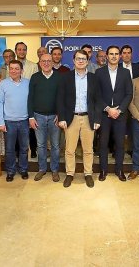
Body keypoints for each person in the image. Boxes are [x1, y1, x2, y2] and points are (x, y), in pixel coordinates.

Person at [58, 50, 102, 188]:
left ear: (88, 61)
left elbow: (98, 100)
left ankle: (88, 173)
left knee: (88, 149)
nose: (81, 61)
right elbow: (60, 100)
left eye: (83, 59)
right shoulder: (65, 77)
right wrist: (62, 118)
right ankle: (70, 174)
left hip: (89, 118)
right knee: (69, 150)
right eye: (78, 58)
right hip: (72, 118)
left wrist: (98, 119)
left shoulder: (94, 78)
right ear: (73, 60)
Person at [95, 45, 133, 182]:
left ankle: (119, 170)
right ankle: (103, 170)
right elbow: (96, 95)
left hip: (120, 115)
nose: (114, 56)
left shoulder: (125, 73)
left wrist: (119, 109)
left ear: (120, 56)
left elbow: (129, 94)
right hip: (104, 114)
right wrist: (107, 109)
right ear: (106, 55)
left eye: (117, 54)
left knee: (120, 144)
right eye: (111, 53)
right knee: (103, 143)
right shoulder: (99, 73)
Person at [28, 54, 61, 182]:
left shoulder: (59, 77)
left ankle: (55, 170)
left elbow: (62, 97)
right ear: (40, 63)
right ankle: (42, 169)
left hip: (55, 117)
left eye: (49, 61)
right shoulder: (35, 77)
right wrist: (31, 117)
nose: (46, 63)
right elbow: (30, 98)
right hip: (38, 116)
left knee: (56, 146)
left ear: (53, 62)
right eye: (43, 61)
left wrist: (60, 114)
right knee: (41, 145)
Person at [0, 60, 30, 182]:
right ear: (9, 69)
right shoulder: (3, 84)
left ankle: (23, 169)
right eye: (12, 68)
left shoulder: (27, 83)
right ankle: (10, 171)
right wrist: (1, 122)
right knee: (9, 149)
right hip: (9, 121)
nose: (14, 71)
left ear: (22, 70)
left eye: (17, 68)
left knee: (24, 148)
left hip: (24, 121)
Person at [15, 42, 38, 158]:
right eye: (19, 49)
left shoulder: (33, 66)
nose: (21, 51)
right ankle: (18, 151)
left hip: (29, 99)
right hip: (15, 101)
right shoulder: (11, 65)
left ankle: (33, 149)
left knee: (31, 127)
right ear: (16, 51)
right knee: (17, 128)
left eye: (24, 49)